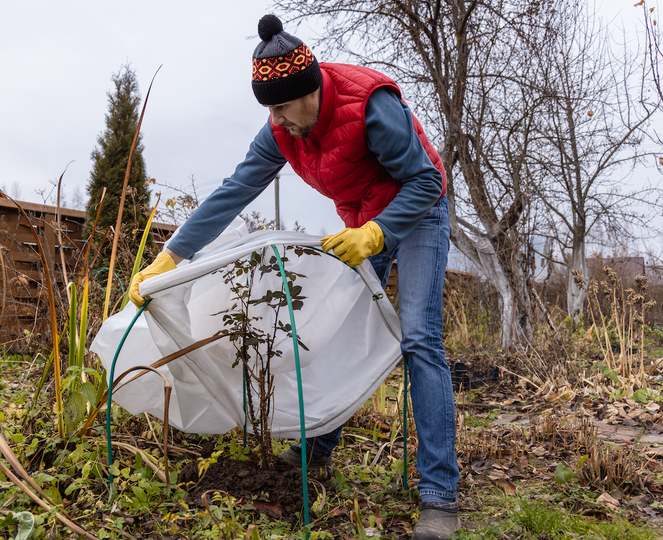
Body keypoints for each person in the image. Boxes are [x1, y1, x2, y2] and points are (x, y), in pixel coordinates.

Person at [129, 14, 460, 540]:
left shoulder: (371, 106)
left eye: (282, 106)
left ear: (311, 91)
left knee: (418, 338)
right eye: (269, 109)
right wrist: (174, 255)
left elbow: (428, 179)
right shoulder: (281, 131)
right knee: (335, 333)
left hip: (417, 211)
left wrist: (378, 234)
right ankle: (317, 448)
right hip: (361, 219)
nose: (276, 119)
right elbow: (235, 190)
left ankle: (440, 496)